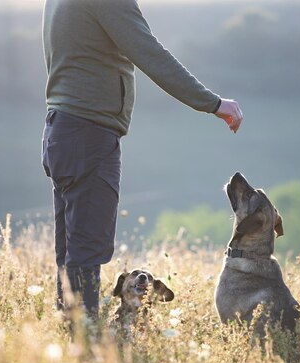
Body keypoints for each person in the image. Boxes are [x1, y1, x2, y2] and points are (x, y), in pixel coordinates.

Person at [41, 0, 243, 318]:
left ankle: (71, 342)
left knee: (71, 251)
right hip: (88, 135)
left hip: (63, 130)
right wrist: (213, 103)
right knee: (85, 250)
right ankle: (85, 346)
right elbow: (148, 52)